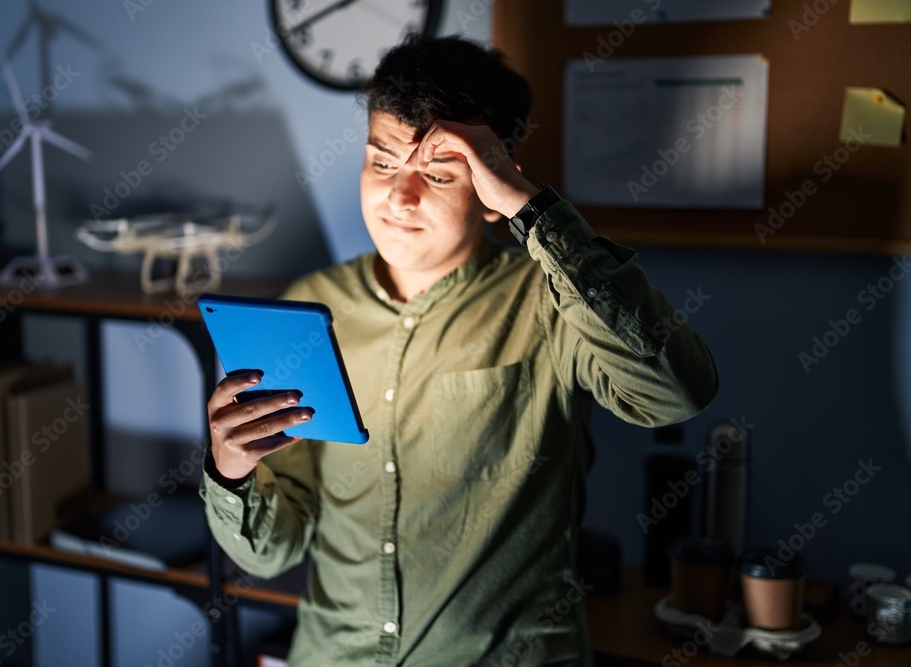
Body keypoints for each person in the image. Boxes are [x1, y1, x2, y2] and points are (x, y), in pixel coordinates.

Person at [201, 36, 718, 666]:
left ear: (491, 180)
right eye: (383, 164)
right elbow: (271, 552)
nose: (400, 197)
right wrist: (231, 471)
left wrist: (533, 209)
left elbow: (676, 392)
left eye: (439, 173)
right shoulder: (311, 304)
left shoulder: (553, 302)